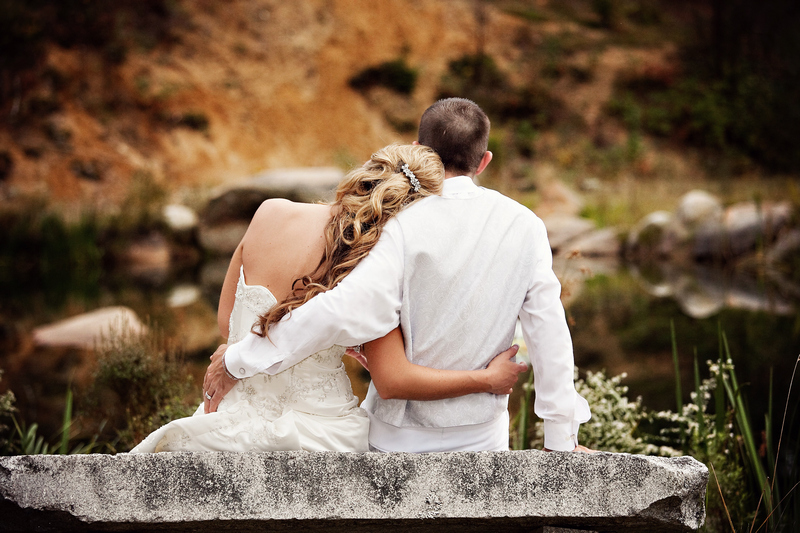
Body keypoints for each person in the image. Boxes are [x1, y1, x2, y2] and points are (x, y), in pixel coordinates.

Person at [208, 98, 592, 453]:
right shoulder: (525, 225)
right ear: (484, 160)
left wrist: (239, 359)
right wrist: (561, 439)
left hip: (396, 439)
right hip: (482, 435)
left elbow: (340, 309)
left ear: (419, 148)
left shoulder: (401, 222)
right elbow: (549, 332)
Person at [131, 143, 525, 454]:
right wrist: (485, 379)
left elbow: (228, 323)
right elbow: (393, 378)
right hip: (319, 432)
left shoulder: (270, 211)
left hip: (226, 413)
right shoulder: (370, 266)